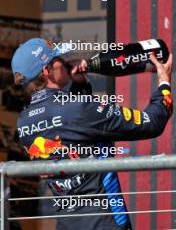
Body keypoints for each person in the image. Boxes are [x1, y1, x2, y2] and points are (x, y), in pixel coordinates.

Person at [11, 38, 173, 230]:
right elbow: (151, 123)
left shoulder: (24, 122)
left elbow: (73, 130)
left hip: (67, 224)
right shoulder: (78, 109)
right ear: (47, 71)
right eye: (59, 59)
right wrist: (164, 84)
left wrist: (78, 85)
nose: (65, 62)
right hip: (106, 222)